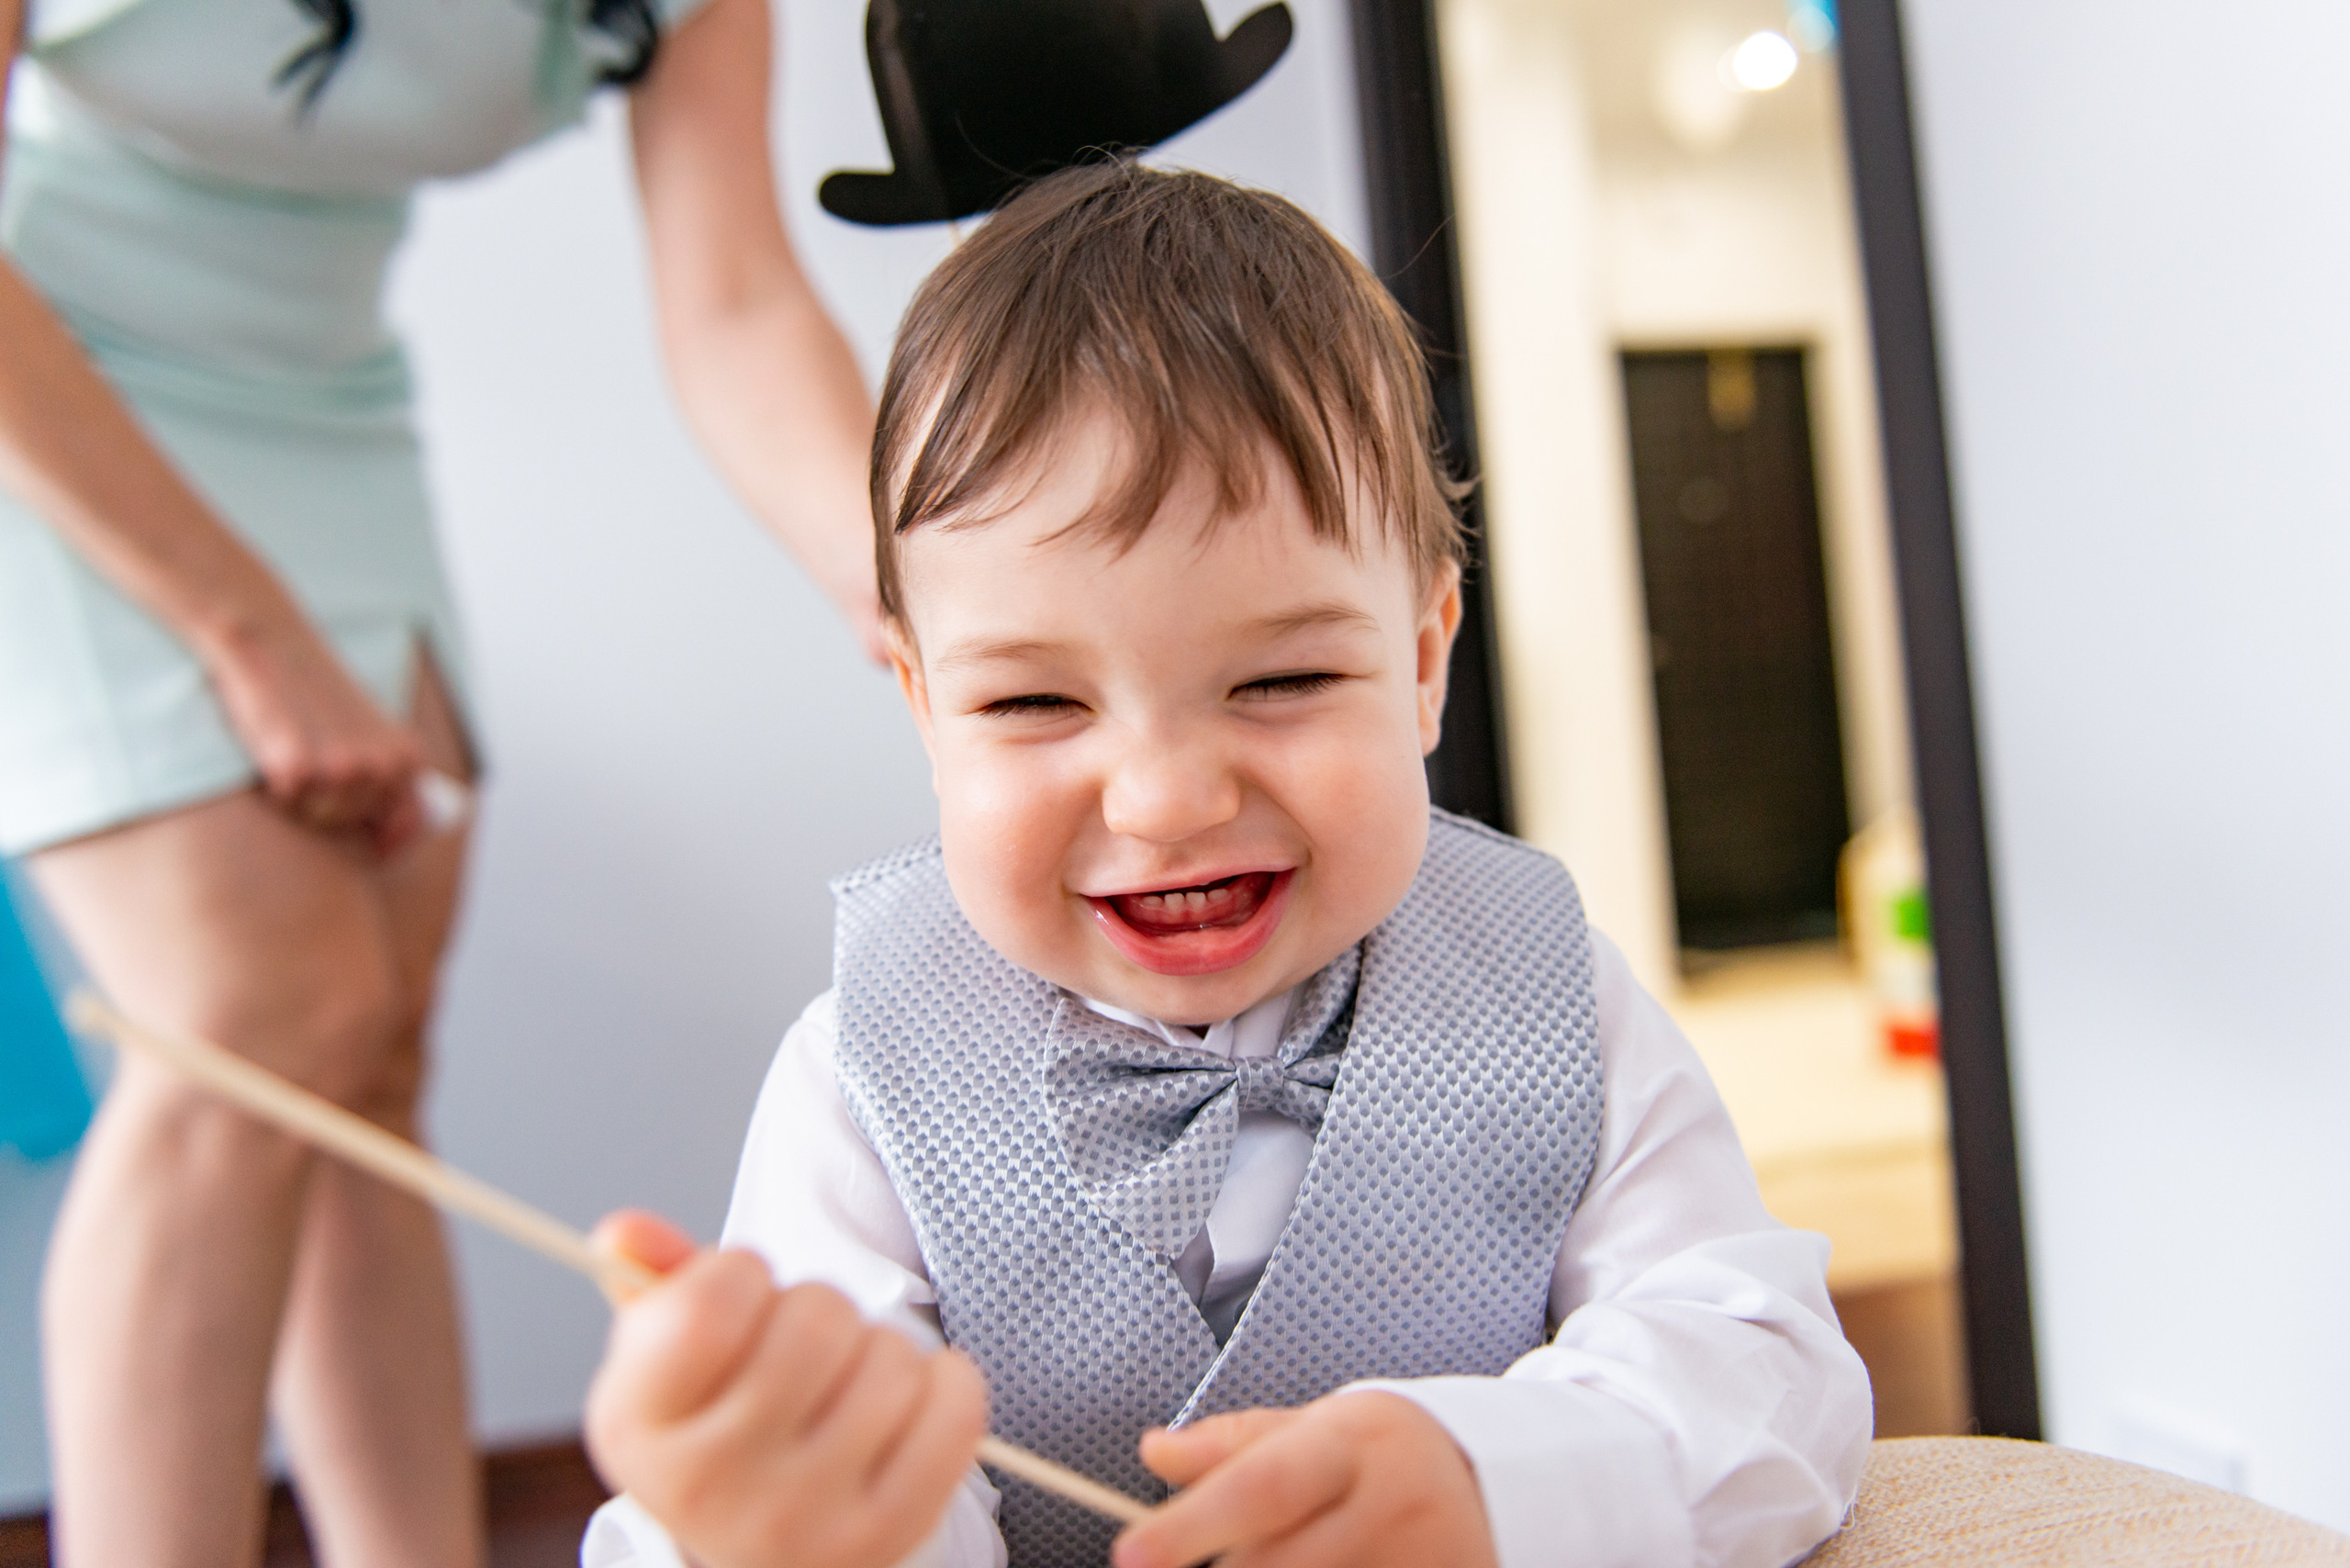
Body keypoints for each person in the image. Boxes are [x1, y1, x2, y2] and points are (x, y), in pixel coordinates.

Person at [579, 162, 1874, 1568]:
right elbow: (846, 1476)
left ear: (1426, 662)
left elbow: (1769, 1367)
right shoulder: (862, 1077)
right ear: (922, 706)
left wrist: (1506, 1486)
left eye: (1282, 679)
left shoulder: (1554, 990)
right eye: (1033, 704)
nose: (1169, 799)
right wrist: (780, 1515)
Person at [0, 0, 877, 1560]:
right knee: (258, 1013)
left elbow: (736, 307)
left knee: (376, 1054)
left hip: (329, 404)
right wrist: (240, 624)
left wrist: (914, 588)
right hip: (51, 388)